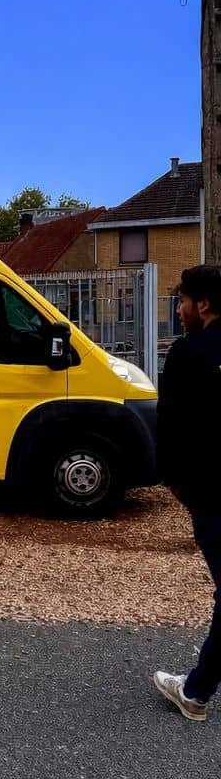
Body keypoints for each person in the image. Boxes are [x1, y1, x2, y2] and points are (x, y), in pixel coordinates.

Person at [153, 264, 221, 721]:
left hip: (215, 493)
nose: (178, 310)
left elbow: (170, 431)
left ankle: (195, 693)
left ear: (203, 304)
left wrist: (180, 488)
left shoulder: (187, 353)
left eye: (181, 300)